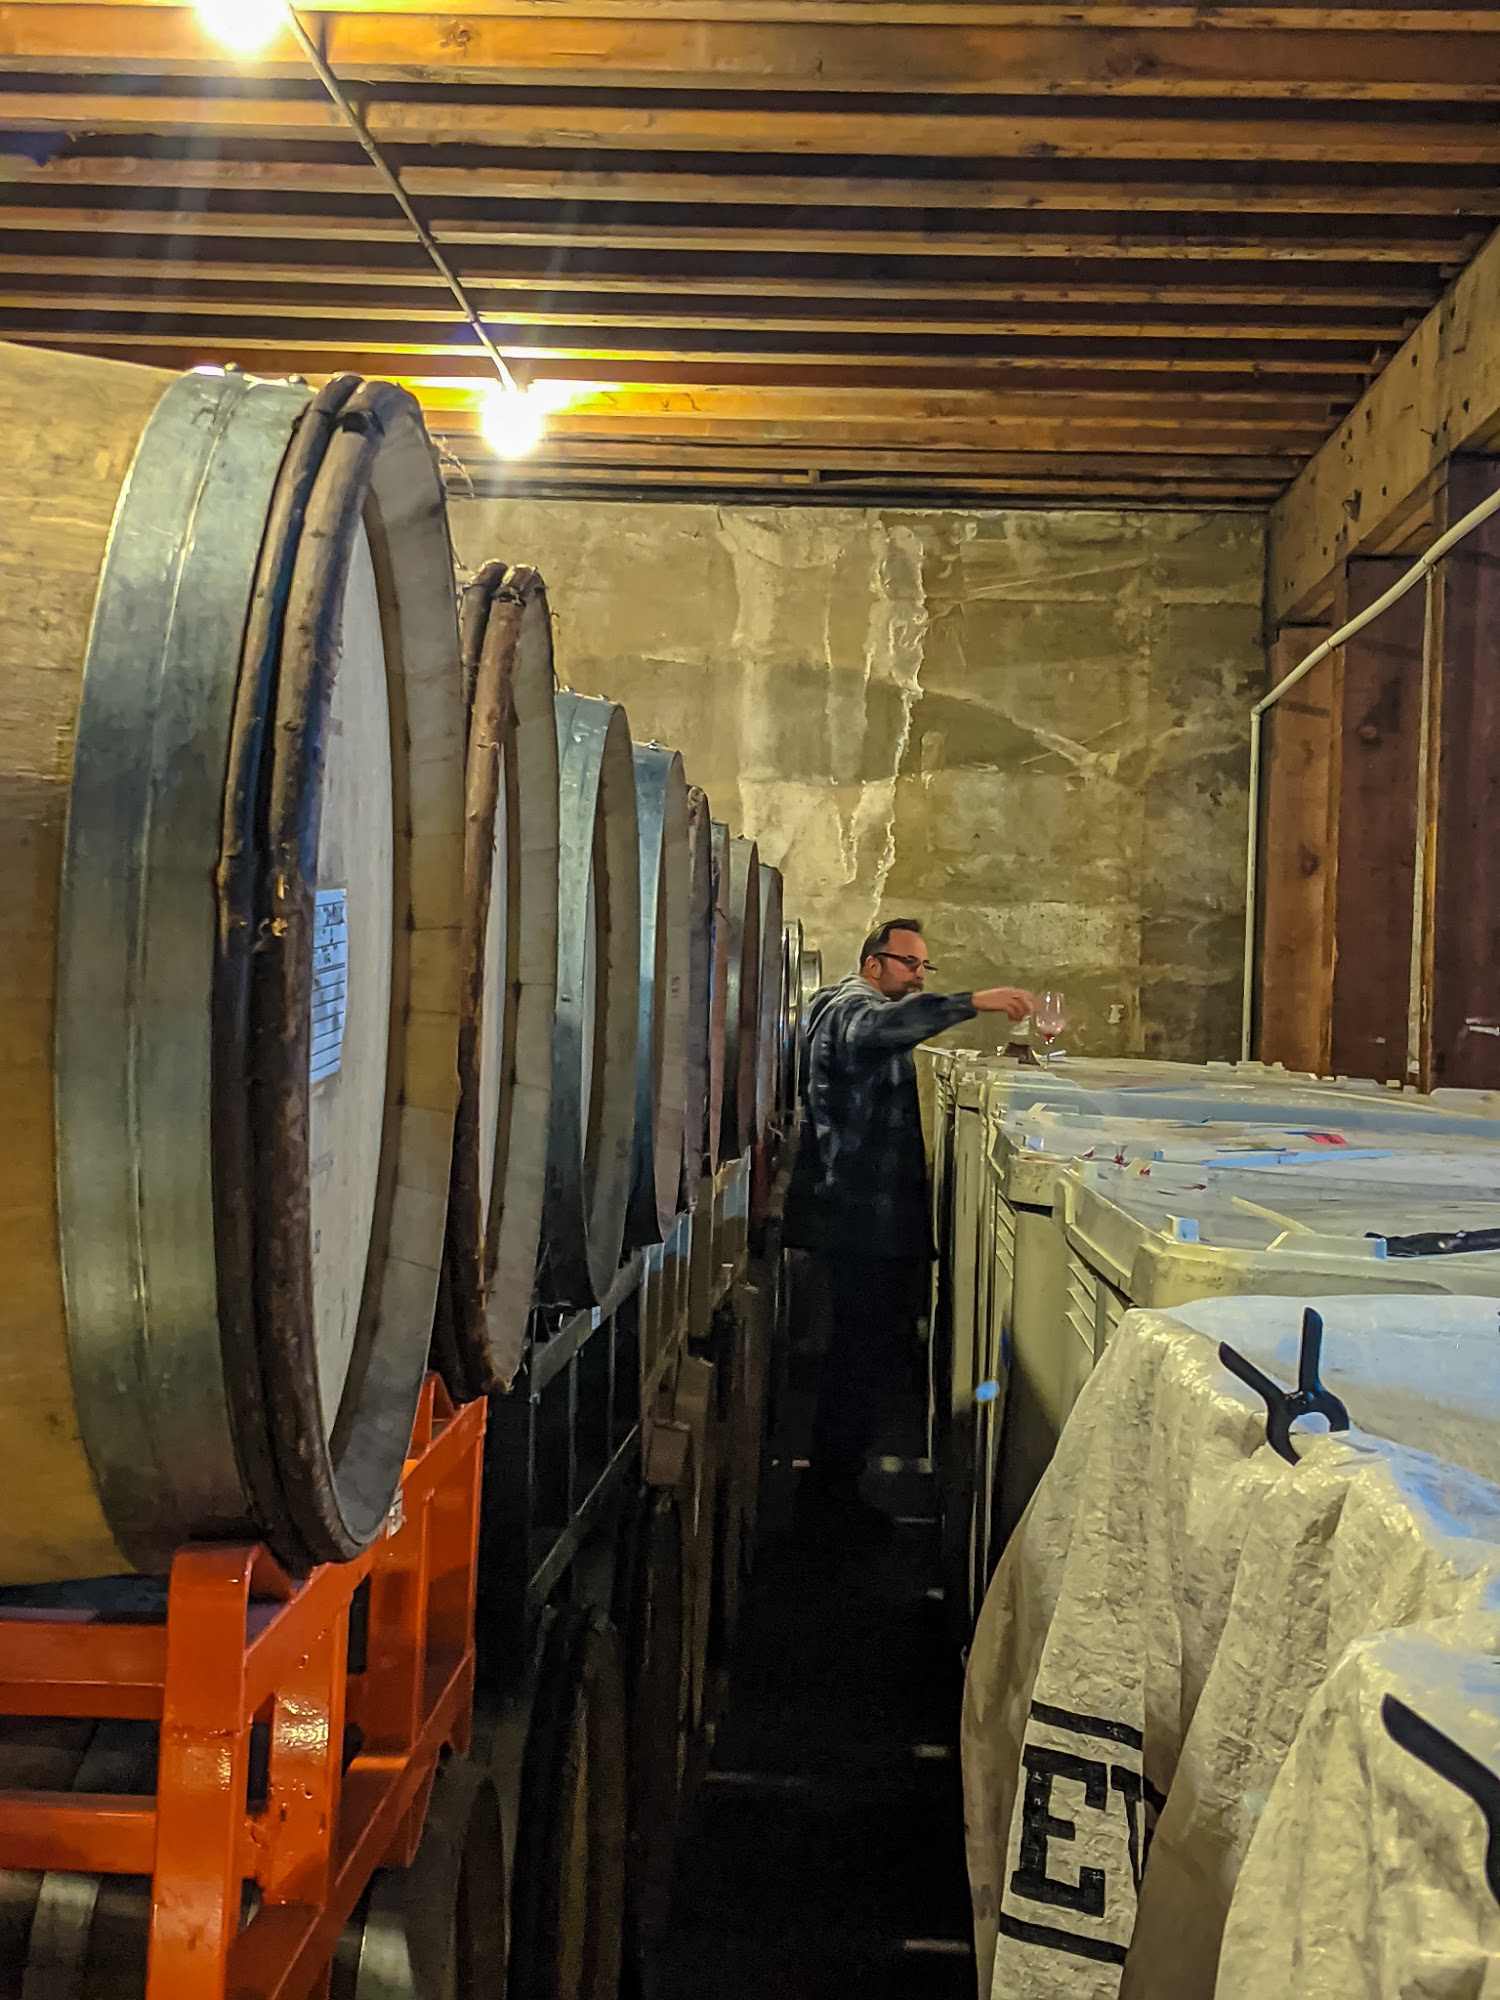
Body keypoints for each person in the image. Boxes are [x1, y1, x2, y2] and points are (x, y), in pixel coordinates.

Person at [784, 918, 1033, 1521]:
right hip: (858, 1223)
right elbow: (876, 1030)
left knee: (862, 1358)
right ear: (873, 963)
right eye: (909, 963)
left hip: (867, 1223)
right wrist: (972, 1001)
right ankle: (829, 1503)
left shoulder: (853, 1009)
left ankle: (836, 1490)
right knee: (857, 1361)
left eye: (925, 967)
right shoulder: (850, 1008)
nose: (919, 975)